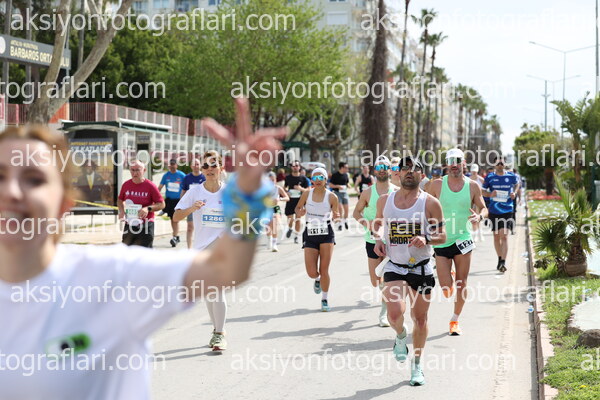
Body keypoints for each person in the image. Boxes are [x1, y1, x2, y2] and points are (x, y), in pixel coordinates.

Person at [0, 98, 287, 398]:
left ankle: (219, 329)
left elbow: (227, 270)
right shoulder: (193, 191)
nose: (11, 192)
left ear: (64, 203)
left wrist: (248, 193)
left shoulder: (111, 275)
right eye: (0, 176)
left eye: (33, 179)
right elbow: (178, 216)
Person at [373, 156, 446, 387]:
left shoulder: (430, 203)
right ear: (398, 173)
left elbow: (442, 235)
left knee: (420, 319)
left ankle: (417, 364)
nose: (409, 172)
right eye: (404, 168)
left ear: (421, 175)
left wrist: (426, 238)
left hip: (421, 268)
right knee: (395, 315)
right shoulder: (385, 201)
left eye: (414, 169)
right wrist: (378, 240)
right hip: (395, 266)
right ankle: (401, 335)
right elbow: (378, 225)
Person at [427, 149, 487, 336]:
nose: (454, 164)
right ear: (447, 164)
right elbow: (424, 206)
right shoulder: (437, 185)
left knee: (462, 283)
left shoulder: (472, 186)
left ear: (464, 163)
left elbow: (484, 208)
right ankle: (448, 278)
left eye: (458, 160)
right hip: (442, 240)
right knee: (446, 287)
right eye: (450, 160)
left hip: (463, 239)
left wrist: (479, 216)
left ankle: (454, 320)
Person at [173, 150, 229, 351]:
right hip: (201, 247)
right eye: (205, 166)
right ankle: (217, 329)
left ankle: (219, 334)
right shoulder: (194, 192)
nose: (209, 169)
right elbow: (176, 217)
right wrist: (192, 209)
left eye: (214, 165)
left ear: (221, 168)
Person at [353, 156, 395, 327]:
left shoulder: (397, 191)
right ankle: (386, 300)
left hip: (392, 240)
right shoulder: (368, 193)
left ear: (390, 170)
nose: (382, 170)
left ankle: (384, 312)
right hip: (372, 239)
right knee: (375, 279)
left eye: (385, 167)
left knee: (388, 277)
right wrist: (368, 224)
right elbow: (356, 213)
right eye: (379, 167)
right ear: (374, 171)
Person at [295, 168, 340, 312]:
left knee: (324, 269)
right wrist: (300, 212)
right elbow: (297, 208)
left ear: (326, 180)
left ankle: (324, 299)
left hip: (326, 233)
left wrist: (336, 217)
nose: (318, 180)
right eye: (315, 178)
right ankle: (317, 279)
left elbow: (336, 214)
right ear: (312, 180)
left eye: (321, 177)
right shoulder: (307, 194)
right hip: (310, 232)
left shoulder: (332, 197)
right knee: (311, 272)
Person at [482, 156, 520, 272]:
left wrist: (514, 193)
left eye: (502, 163)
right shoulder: (490, 177)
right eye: (498, 163)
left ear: (505, 164)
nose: (500, 165)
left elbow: (517, 184)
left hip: (507, 209)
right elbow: (482, 191)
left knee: (504, 235)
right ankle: (499, 258)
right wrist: (490, 195)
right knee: (496, 236)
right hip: (494, 210)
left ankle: (503, 262)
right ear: (494, 165)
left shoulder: (511, 176)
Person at [117, 160, 165, 248]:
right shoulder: (126, 185)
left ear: (144, 170)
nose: (135, 173)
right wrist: (122, 211)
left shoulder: (150, 186)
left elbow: (162, 204)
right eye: (132, 170)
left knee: (144, 253)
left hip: (146, 224)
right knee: (127, 251)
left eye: (138, 170)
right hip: (130, 223)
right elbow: (120, 200)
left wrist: (147, 208)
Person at [158, 159, 187, 247]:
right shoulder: (166, 176)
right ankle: (175, 236)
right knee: (172, 219)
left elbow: (187, 187)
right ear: (169, 166)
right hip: (169, 200)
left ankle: (175, 236)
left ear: (176, 165)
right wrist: (156, 197)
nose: (172, 167)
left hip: (178, 200)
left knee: (176, 219)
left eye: (174, 165)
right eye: (171, 165)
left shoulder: (181, 175)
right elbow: (160, 187)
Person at [180, 158, 206, 249]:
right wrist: (182, 204)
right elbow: (183, 191)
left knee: (202, 227)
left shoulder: (204, 177)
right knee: (190, 227)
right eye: (194, 164)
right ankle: (189, 249)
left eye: (197, 164)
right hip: (191, 206)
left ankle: (202, 247)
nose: (196, 166)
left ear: (200, 166)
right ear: (191, 166)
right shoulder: (187, 178)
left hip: (203, 206)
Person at [284, 161, 310, 243]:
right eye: (293, 166)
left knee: (298, 219)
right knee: (290, 219)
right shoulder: (288, 177)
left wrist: (300, 189)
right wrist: (286, 192)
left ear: (299, 167)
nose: (295, 167)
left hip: (300, 201)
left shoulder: (303, 178)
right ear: (291, 167)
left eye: (296, 165)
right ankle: (290, 228)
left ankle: (296, 236)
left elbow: (308, 190)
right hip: (290, 201)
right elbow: (284, 187)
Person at [266, 171, 289, 251]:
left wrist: (280, 199)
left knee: (274, 224)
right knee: (268, 226)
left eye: (273, 180)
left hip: (275, 207)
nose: (271, 182)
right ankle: (269, 239)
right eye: (269, 180)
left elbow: (287, 198)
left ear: (275, 180)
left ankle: (274, 244)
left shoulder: (278, 188)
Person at [329, 162, 350, 231]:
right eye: (346, 168)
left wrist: (348, 185)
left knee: (346, 209)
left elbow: (346, 183)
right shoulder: (335, 175)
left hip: (344, 193)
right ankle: (340, 224)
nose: (347, 169)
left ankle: (345, 221)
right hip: (337, 193)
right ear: (341, 168)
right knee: (340, 208)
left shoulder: (346, 175)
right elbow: (330, 185)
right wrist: (338, 186)